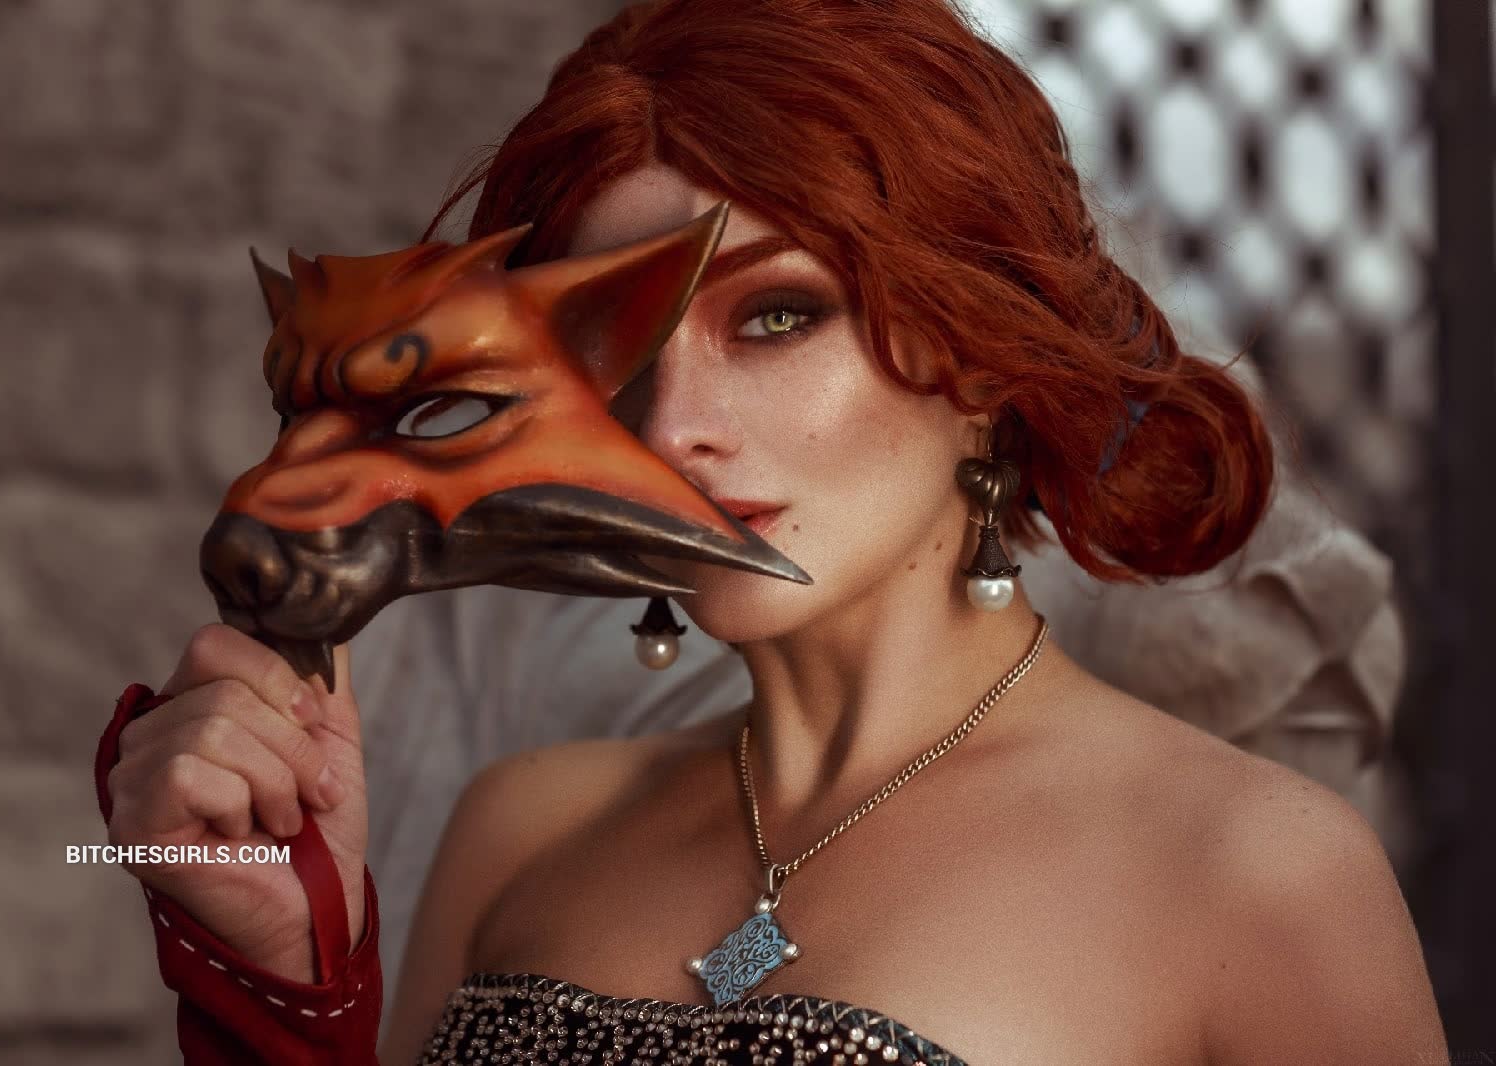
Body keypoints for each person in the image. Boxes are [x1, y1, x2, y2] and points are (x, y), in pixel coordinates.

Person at [98, 1, 1446, 1063]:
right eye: (615, 359)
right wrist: (283, 982)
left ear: (977, 352)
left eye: (777, 315)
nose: (675, 424)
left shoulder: (1254, 873)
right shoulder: (521, 829)